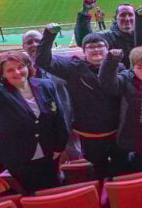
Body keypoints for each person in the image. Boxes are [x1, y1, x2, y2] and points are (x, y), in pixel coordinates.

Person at [0, 53, 69, 194]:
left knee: (54, 186)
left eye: (21, 67)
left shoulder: (46, 85)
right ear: (2, 74)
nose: (17, 72)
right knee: (33, 191)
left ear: (28, 66)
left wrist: (59, 146)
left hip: (50, 151)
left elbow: (59, 117)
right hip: (18, 157)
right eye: (10, 70)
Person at [0, 24, 80, 160]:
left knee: (74, 153)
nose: (34, 45)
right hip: (32, 130)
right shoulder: (15, 67)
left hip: (64, 121)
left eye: (38, 41)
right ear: (23, 47)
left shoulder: (62, 62)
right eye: (29, 42)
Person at [37, 25, 127, 180]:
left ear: (108, 49)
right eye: (91, 47)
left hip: (118, 133)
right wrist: (49, 35)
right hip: (90, 136)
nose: (96, 50)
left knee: (123, 169)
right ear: (84, 52)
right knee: (100, 172)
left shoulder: (118, 66)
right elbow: (44, 61)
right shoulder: (73, 68)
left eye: (100, 46)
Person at [75, 0, 142, 66]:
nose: (127, 19)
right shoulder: (106, 37)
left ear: (135, 17)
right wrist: (85, 11)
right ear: (115, 18)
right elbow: (83, 40)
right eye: (122, 15)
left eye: (130, 15)